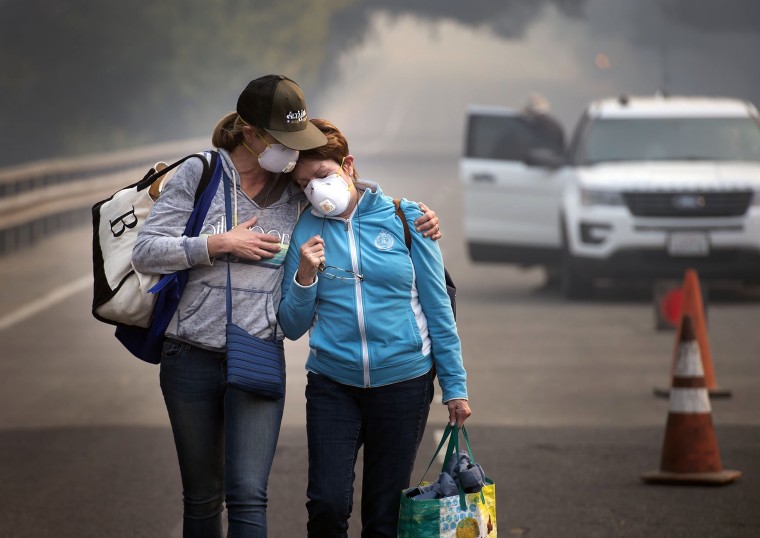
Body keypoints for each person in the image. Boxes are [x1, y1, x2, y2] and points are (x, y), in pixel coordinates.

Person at [131, 75, 442, 537]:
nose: (293, 151)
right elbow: (146, 251)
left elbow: (343, 186)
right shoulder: (201, 174)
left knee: (249, 496)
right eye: (284, 139)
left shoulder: (295, 190)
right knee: (201, 498)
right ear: (251, 133)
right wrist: (217, 243)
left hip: (257, 350)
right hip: (189, 353)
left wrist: (411, 212)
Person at [278, 119, 471, 537]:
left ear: (348, 165)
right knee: (327, 505)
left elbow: (439, 307)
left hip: (404, 383)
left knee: (385, 516)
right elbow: (292, 327)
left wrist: (455, 386)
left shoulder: (408, 218)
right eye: (304, 184)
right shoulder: (305, 231)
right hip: (333, 383)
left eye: (322, 175)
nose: (315, 189)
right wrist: (305, 277)